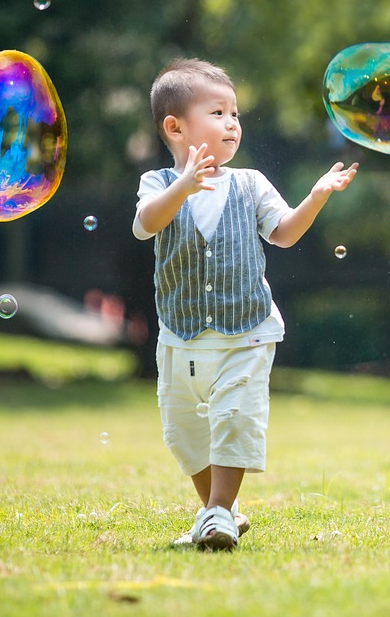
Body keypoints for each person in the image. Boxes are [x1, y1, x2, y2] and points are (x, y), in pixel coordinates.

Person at [133, 58, 357, 551]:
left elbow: (284, 234)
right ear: (175, 127)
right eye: (217, 112)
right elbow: (146, 223)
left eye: (235, 114)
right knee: (183, 431)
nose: (232, 123)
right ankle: (222, 512)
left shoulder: (250, 183)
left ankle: (215, 515)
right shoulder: (157, 185)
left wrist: (316, 197)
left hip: (248, 332)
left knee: (234, 417)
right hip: (181, 335)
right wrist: (183, 187)